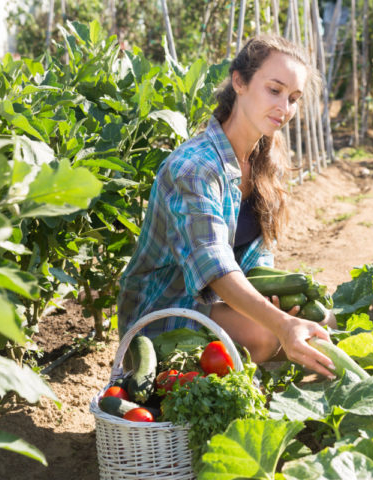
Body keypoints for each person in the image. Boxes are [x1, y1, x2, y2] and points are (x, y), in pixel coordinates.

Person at [117, 35, 336, 379]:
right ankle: (186, 396)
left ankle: (242, 385)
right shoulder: (195, 168)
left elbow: (258, 256)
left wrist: (279, 303)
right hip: (163, 313)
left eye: (294, 98)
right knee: (264, 337)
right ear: (239, 82)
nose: (285, 107)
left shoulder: (267, 159)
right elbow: (214, 267)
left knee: (321, 321)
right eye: (274, 90)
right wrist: (280, 322)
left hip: (217, 306)